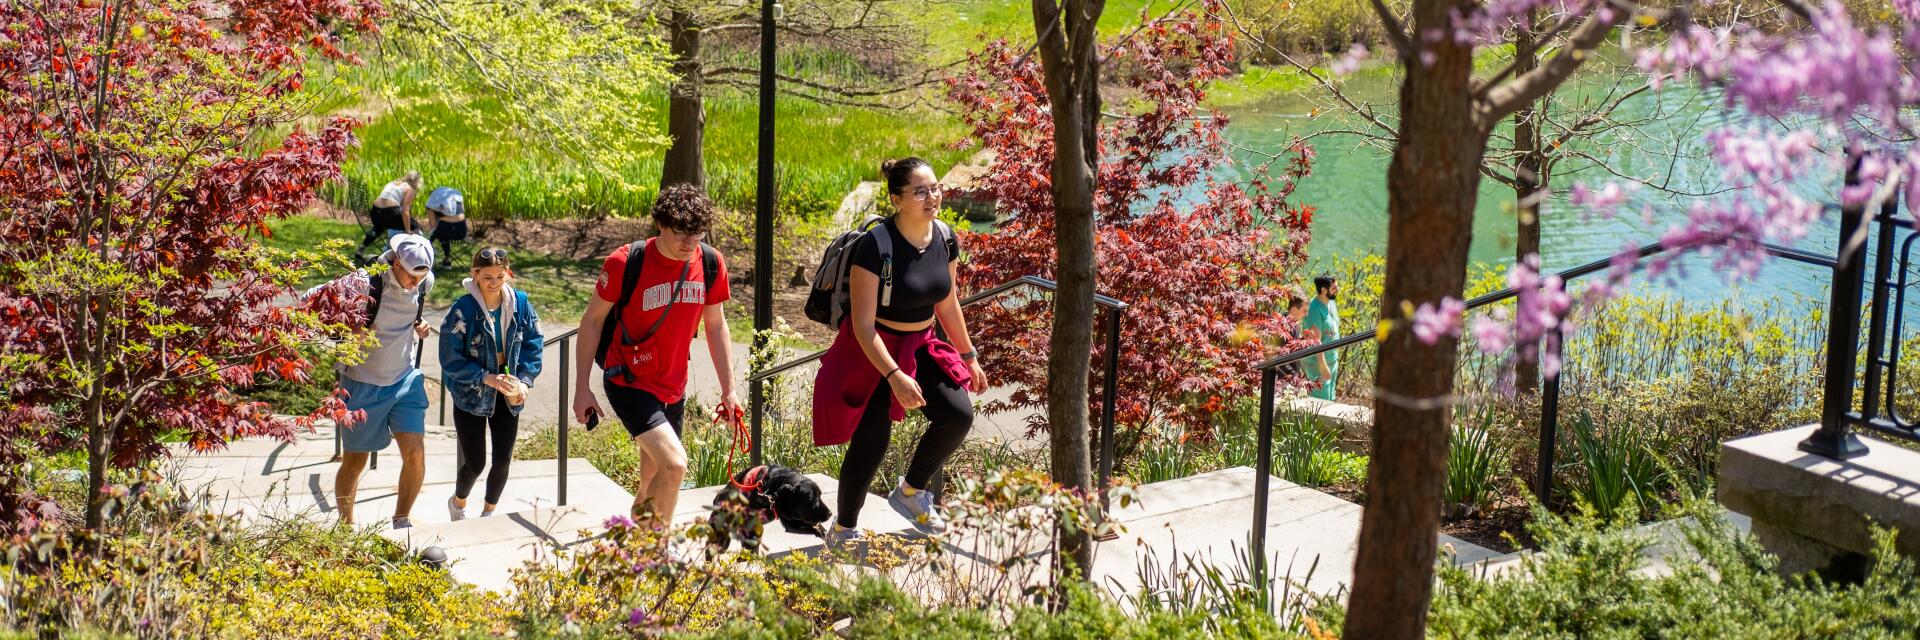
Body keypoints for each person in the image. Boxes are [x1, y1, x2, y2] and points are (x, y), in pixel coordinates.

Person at [812, 157, 988, 549]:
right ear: (897, 199)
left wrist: (969, 356)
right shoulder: (875, 246)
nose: (933, 197)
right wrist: (894, 376)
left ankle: (910, 491)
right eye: (920, 191)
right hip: (872, 350)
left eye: (935, 188)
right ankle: (843, 528)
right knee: (872, 439)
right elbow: (862, 326)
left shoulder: (945, 237)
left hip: (920, 344)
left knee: (957, 415)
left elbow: (947, 303)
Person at [571, 184, 741, 527]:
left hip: (673, 386)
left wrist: (729, 390)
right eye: (681, 233)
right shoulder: (626, 262)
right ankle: (657, 551)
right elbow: (592, 321)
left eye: (697, 234)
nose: (689, 243)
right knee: (675, 465)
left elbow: (715, 325)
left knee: (652, 484)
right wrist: (582, 387)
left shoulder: (710, 263)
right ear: (661, 225)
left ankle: (636, 538)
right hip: (628, 380)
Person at [306, 234, 436, 529]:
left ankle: (402, 520)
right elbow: (310, 301)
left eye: (421, 277)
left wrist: (420, 325)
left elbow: (412, 310)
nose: (415, 283)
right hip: (361, 383)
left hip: (404, 379)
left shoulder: (424, 282)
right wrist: (346, 333)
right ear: (396, 263)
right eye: (411, 276)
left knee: (415, 453)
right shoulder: (364, 282)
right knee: (355, 461)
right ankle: (346, 526)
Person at [440, 247, 544, 520]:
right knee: (475, 462)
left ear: (507, 274)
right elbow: (450, 359)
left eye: (500, 276)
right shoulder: (461, 310)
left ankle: (488, 513)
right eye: (487, 276)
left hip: (507, 388)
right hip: (472, 391)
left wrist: (524, 381)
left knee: (502, 461)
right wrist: (485, 377)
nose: (494, 282)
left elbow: (534, 343)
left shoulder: (520, 303)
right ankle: (458, 503)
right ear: (475, 274)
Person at [358, 171, 423, 256]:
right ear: (416, 182)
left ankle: (361, 248)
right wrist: (408, 230)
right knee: (416, 226)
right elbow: (405, 210)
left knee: (379, 228)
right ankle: (419, 252)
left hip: (375, 211)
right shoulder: (410, 189)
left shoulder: (394, 183)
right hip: (390, 212)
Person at [1303, 274, 1341, 401]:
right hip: (1318, 365)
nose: (1337, 289)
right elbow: (1316, 341)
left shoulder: (1331, 303)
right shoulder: (1314, 310)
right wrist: (1323, 367)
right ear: (1324, 290)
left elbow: (1331, 330)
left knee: (1330, 398)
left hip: (1332, 360)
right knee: (1321, 401)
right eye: (1334, 288)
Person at [1281, 292, 1325, 381]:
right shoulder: (1283, 326)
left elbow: (1292, 350)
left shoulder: (1293, 325)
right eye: (1305, 311)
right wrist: (1294, 377)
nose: (1307, 314)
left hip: (1289, 378)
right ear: (1294, 310)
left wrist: (1306, 340)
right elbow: (1279, 357)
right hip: (1283, 380)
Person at [425, 186, 468, 269]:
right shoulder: (457, 199)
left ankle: (428, 261)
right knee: (443, 236)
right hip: (462, 231)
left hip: (445, 230)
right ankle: (446, 261)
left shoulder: (430, 205)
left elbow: (433, 226)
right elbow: (463, 212)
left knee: (434, 237)